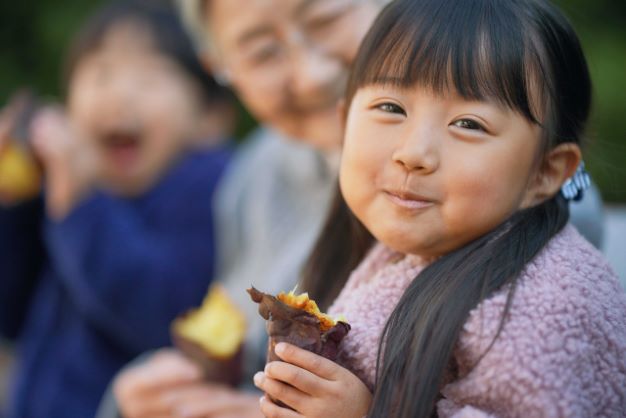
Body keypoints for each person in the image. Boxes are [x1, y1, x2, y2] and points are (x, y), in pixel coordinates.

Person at [109, 0, 608, 416]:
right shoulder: (257, 175)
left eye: (326, 20)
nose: (311, 74)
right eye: (262, 52)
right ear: (220, 67)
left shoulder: (528, 268)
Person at [252, 0, 626, 417]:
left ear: (544, 172)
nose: (413, 153)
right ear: (344, 125)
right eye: (391, 108)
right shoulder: (403, 250)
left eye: (468, 124)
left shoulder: (548, 304)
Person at [0, 1, 233, 417]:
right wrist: (13, 206)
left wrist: (80, 207)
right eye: (99, 75)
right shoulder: (68, 193)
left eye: (147, 79)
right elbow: (10, 315)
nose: (117, 96)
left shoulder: (209, 186)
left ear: (210, 119)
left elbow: (165, 316)